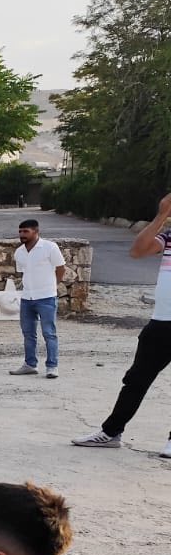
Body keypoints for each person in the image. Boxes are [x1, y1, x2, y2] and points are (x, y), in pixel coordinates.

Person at [72, 192, 171, 456]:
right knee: (136, 380)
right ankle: (111, 432)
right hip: (161, 322)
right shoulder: (169, 235)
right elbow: (137, 251)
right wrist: (162, 215)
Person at [9, 218, 66, 379]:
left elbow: (61, 268)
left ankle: (52, 366)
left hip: (46, 297)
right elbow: (23, 272)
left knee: (49, 333)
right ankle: (30, 364)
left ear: (36, 231)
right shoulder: (19, 252)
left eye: (26, 231)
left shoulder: (49, 247)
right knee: (28, 333)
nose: (22, 234)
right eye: (20, 231)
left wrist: (53, 285)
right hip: (27, 298)